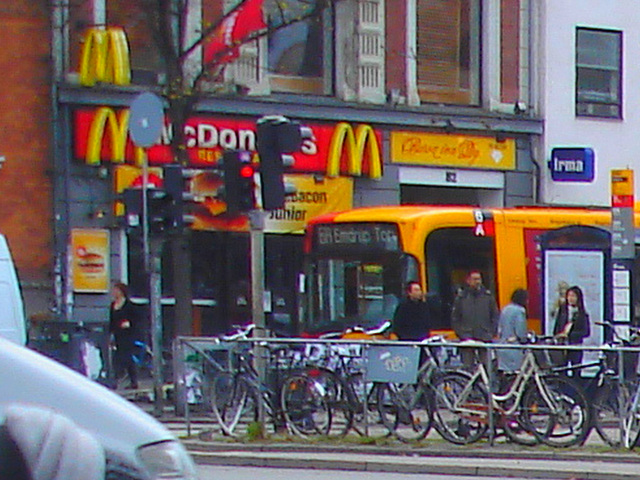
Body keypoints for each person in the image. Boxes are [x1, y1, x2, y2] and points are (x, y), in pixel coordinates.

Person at [451, 270, 500, 368]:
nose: (477, 281)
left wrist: (491, 332)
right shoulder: (461, 298)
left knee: (486, 366)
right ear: (468, 281)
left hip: (485, 337)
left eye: (479, 279)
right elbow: (455, 318)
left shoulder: (488, 297)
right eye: (474, 279)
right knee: (467, 366)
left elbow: (495, 315)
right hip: (467, 337)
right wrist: (461, 334)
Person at [109, 282, 140, 389]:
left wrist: (129, 323)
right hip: (118, 333)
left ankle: (130, 380)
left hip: (127, 334)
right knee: (117, 356)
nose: (114, 292)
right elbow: (111, 320)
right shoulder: (113, 305)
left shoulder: (128, 305)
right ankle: (118, 379)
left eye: (116, 290)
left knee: (126, 356)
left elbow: (136, 318)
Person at [553, 285, 590, 367]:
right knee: (561, 369)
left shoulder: (582, 314)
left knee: (576, 369)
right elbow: (556, 328)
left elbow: (586, 332)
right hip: (562, 346)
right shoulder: (562, 311)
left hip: (576, 346)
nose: (570, 298)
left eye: (573, 296)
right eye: (569, 296)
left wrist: (570, 335)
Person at [496, 288, 529, 373]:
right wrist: (524, 339)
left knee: (505, 373)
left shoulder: (505, 309)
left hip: (502, 345)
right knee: (516, 373)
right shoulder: (520, 311)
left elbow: (500, 328)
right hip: (514, 348)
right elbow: (520, 330)